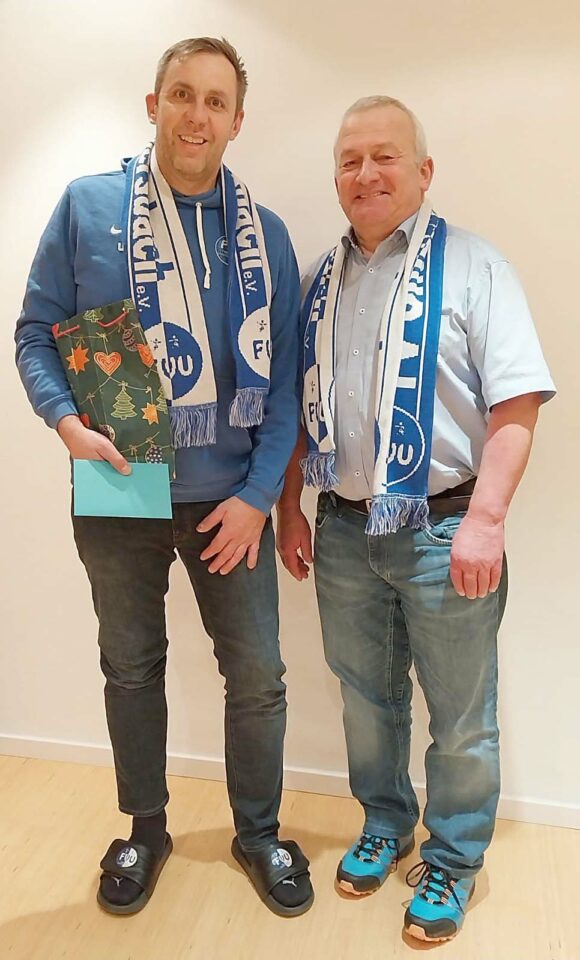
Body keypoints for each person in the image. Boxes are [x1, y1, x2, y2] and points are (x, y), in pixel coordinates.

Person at [15, 37, 314, 918]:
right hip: (121, 488)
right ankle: (145, 830)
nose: (196, 115)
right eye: (182, 94)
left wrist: (257, 499)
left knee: (257, 676)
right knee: (131, 668)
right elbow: (35, 331)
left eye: (216, 101)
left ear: (237, 121)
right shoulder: (88, 207)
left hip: (231, 500)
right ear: (154, 105)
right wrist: (65, 422)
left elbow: (286, 382)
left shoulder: (266, 235)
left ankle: (258, 833)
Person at [277, 95, 555, 942]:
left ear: (423, 171)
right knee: (366, 699)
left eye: (384, 156)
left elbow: (516, 403)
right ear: (336, 177)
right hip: (344, 531)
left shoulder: (475, 267)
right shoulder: (319, 282)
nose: (365, 173)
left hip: (444, 531)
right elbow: (297, 409)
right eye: (349, 160)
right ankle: (385, 822)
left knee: (462, 714)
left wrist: (487, 521)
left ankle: (455, 858)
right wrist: (290, 508)